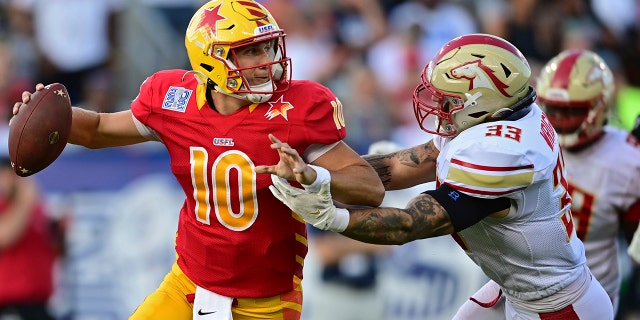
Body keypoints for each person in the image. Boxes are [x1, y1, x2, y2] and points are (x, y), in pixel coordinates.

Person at [12, 0, 385, 319]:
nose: (267, 62)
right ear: (213, 60)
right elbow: (97, 131)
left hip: (267, 300)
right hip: (188, 284)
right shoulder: (174, 99)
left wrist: (312, 175)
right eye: (251, 51)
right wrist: (49, 112)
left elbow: (369, 187)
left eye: (269, 48)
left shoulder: (299, 108)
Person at [265, 33, 615, 319]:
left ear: (482, 100)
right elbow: (406, 164)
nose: (440, 107)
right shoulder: (500, 117)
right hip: (516, 288)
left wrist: (333, 216)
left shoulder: (503, 153)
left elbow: (410, 224)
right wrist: (315, 173)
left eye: (449, 100)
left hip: (556, 306)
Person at [535, 49, 640, 315]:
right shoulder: (531, 140)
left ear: (599, 107)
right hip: (528, 282)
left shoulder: (627, 160)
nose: (558, 119)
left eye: (569, 111)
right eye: (552, 108)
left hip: (588, 295)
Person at [0, 125, 58, 320]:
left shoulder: (36, 208)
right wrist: (26, 200)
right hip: (11, 305)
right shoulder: (12, 205)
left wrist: (60, 232)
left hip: (39, 305)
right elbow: (5, 235)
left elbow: (54, 251)